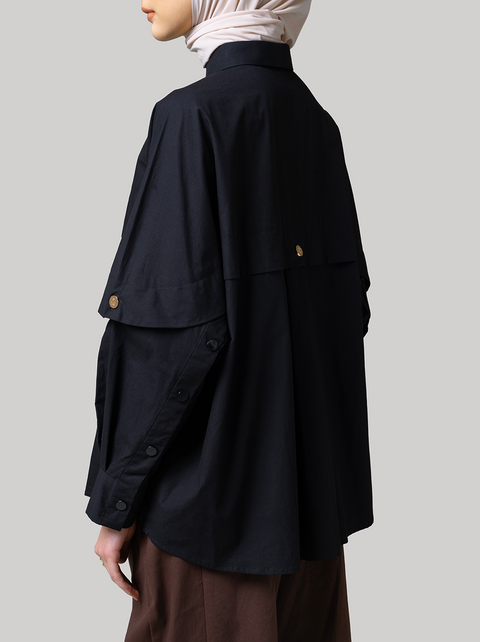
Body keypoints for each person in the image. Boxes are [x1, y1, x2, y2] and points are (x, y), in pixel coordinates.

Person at [85, 1, 374, 640]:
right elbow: (347, 315)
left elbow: (169, 335)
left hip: (207, 527)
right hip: (310, 524)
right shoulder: (316, 122)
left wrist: (117, 502)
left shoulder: (190, 116)